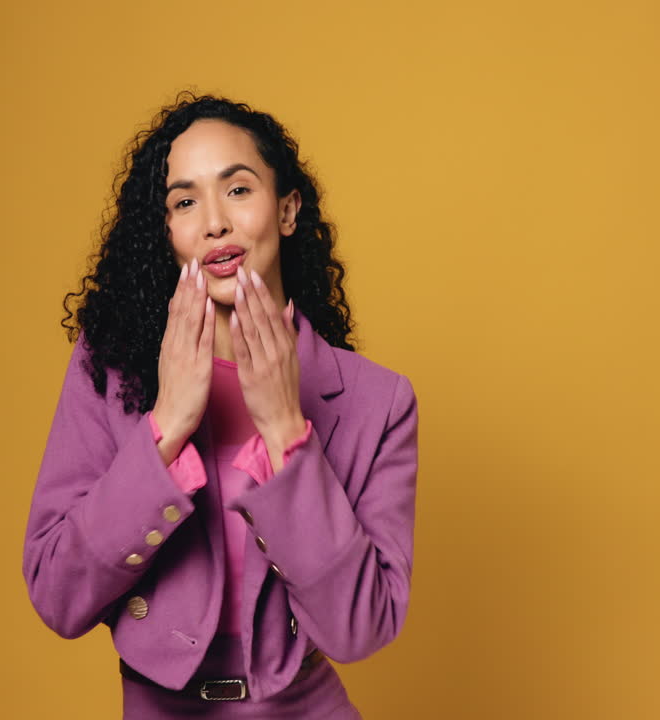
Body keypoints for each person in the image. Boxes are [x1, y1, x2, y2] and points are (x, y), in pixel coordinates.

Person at [22, 92, 418, 719]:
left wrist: (287, 430)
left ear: (287, 210)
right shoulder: (111, 370)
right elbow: (57, 596)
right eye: (185, 201)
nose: (214, 223)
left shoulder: (378, 400)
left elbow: (360, 630)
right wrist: (166, 428)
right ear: (167, 232)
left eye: (237, 190)